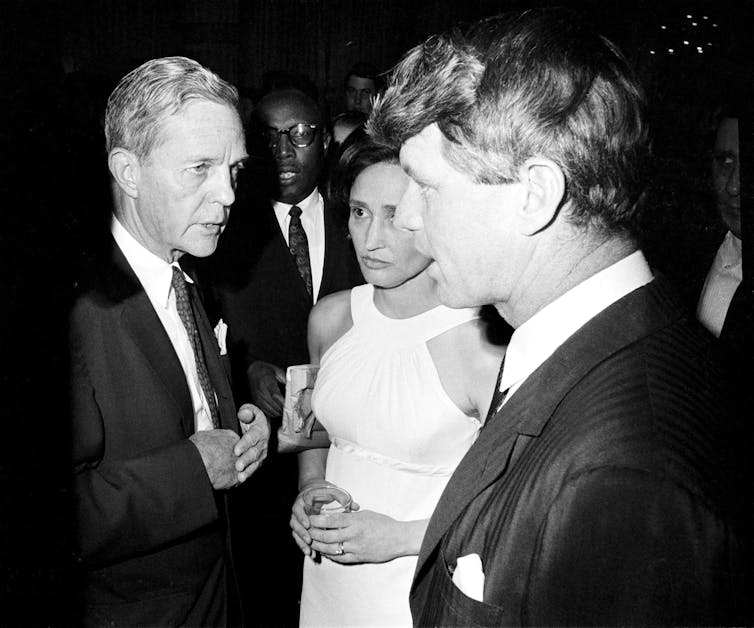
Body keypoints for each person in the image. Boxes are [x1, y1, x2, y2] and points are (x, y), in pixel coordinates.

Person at [368, 8, 749, 625]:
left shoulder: (622, 475)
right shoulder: (593, 342)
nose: (407, 217)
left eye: (427, 186)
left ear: (535, 195)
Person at [70, 56, 270, 627]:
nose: (228, 194)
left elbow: (183, 408)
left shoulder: (183, 269)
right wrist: (193, 469)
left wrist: (238, 426)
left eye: (233, 168)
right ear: (128, 172)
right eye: (200, 168)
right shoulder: (80, 310)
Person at [290, 131, 505, 626]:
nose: (371, 239)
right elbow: (310, 427)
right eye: (360, 212)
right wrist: (310, 486)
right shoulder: (329, 318)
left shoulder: (483, 344)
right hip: (327, 584)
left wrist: (401, 538)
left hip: (421, 581)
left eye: (393, 215)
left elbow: (515, 505)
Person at [204, 86, 363, 625]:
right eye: (268, 138)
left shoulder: (360, 219)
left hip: (348, 453)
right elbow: (203, 336)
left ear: (325, 140)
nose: (284, 152)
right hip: (262, 465)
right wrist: (244, 371)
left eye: (300, 135)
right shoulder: (221, 229)